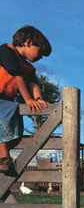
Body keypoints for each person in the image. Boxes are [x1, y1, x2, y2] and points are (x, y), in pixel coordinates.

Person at [0, 25, 51, 172]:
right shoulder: (7, 51)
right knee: (2, 120)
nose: (40, 57)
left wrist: (39, 98)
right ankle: (4, 157)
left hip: (6, 100)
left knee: (16, 125)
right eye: (40, 52)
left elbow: (33, 83)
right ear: (28, 42)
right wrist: (28, 99)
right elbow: (17, 75)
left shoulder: (28, 67)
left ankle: (4, 157)